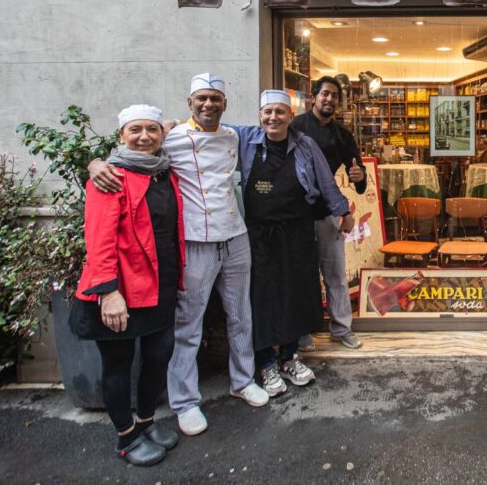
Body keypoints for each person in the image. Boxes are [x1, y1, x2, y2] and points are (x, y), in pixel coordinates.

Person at [89, 74, 269, 438]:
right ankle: (185, 401)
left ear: (225, 104)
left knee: (241, 315)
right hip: (195, 241)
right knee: (188, 324)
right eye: (201, 98)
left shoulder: (233, 136)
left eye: (215, 99)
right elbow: (128, 153)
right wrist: (96, 163)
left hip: (235, 235)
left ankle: (242, 379)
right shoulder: (166, 137)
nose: (208, 105)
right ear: (189, 103)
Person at [71, 104, 185, 466]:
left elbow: (174, 122)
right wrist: (107, 292)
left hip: (160, 284)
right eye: (135, 130)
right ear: (120, 135)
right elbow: (99, 239)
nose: (144, 137)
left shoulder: (163, 171)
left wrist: (166, 124)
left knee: (157, 356)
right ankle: (125, 436)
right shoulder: (109, 176)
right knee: (118, 364)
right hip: (120, 290)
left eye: (152, 130)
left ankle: (147, 422)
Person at [227, 90, 354, 397]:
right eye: (268, 111)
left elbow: (325, 181)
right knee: (263, 297)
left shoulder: (305, 144)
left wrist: (343, 211)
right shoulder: (245, 139)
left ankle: (289, 356)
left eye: (280, 112)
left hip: (297, 231)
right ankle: (267, 362)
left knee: (296, 294)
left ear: (290, 115)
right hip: (259, 235)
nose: (274, 118)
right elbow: (204, 131)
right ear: (260, 115)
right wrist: (170, 124)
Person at [289, 76, 366, 351]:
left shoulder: (342, 134)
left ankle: (342, 328)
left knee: (335, 273)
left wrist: (359, 175)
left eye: (335, 96)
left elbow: (359, 173)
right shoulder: (295, 127)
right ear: (313, 97)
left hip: (328, 212)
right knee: (303, 275)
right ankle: (303, 331)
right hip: (297, 213)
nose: (330, 100)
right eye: (325, 94)